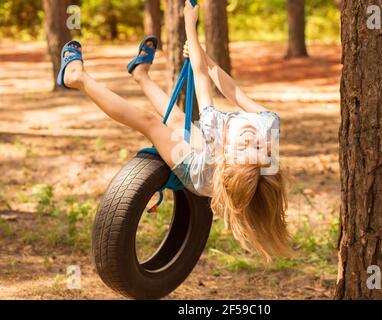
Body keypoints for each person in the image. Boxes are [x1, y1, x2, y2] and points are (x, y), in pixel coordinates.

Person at [57, 1, 292, 262]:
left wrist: (190, 25)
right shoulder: (267, 126)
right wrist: (202, 52)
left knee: (151, 123)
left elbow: (200, 77)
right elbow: (233, 91)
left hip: (197, 174)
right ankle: (140, 74)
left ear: (225, 154)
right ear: (268, 150)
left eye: (242, 148)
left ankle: (77, 78)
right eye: (258, 147)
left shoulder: (215, 139)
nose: (250, 139)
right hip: (219, 159)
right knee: (179, 119)